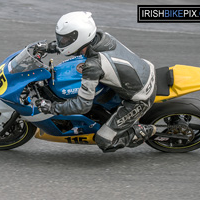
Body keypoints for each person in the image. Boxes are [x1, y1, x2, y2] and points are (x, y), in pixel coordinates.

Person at [34, 11, 157, 153]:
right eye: (61, 38)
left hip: (140, 97)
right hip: (142, 70)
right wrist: (50, 47)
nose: (62, 42)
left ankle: (141, 132)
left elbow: (82, 106)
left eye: (65, 39)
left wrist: (52, 107)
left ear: (80, 36)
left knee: (104, 140)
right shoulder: (100, 37)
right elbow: (74, 45)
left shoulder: (93, 66)